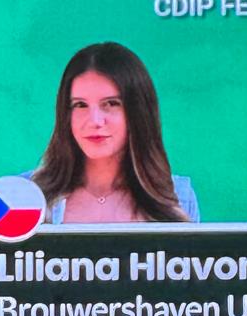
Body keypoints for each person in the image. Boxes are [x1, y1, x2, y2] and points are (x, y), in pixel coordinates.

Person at [32, 42, 199, 226]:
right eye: (80, 105)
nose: (95, 120)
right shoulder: (23, 195)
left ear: (138, 112)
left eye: (111, 103)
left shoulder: (179, 197)